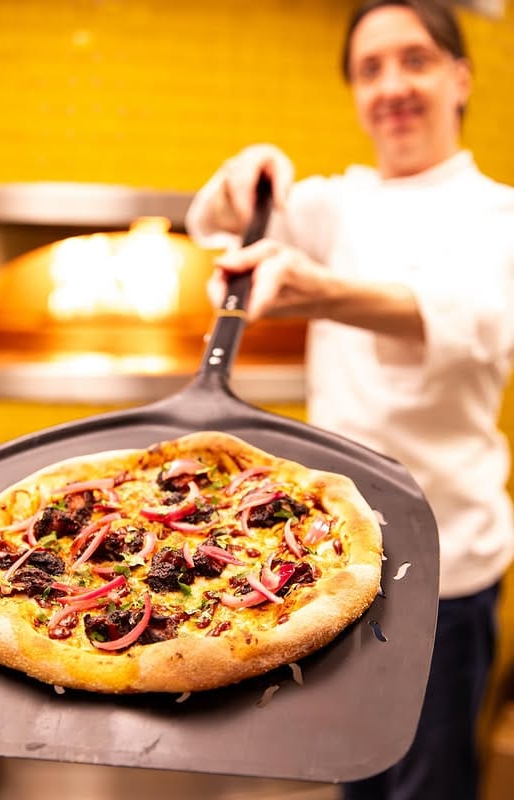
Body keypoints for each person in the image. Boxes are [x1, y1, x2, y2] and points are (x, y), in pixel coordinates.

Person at [185, 1, 514, 799]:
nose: (392, 86)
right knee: (353, 776)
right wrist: (246, 174)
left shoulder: (499, 213)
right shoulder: (339, 203)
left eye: (415, 60)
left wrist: (327, 292)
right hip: (333, 558)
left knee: (430, 784)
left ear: (460, 78)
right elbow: (212, 222)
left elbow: (483, 323)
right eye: (370, 70)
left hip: (449, 567)